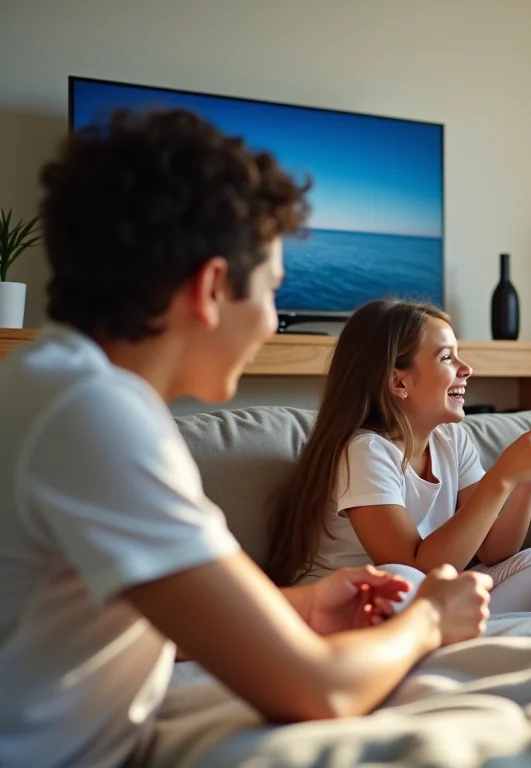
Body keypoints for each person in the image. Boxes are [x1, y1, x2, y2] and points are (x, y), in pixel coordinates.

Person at [0, 109, 491, 768]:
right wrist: (430, 619)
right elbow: (322, 691)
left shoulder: (61, 389)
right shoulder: (93, 417)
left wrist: (305, 606)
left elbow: (114, 625)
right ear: (209, 288)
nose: (268, 322)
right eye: (270, 291)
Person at [267, 299, 531, 614]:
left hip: (424, 593)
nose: (466, 369)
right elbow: (414, 565)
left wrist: (525, 485)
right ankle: (455, 629)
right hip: (358, 600)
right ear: (399, 381)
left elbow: (494, 550)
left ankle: (451, 631)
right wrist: (500, 477)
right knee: (404, 580)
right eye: (447, 358)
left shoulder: (450, 439)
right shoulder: (365, 451)